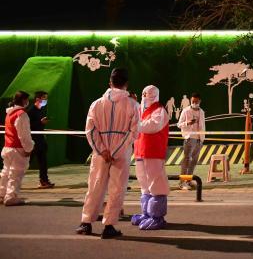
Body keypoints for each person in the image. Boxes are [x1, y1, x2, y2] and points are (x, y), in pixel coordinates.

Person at [76, 68, 139, 239]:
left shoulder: (96, 104)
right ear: (126, 84)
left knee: (95, 186)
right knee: (117, 189)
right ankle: (109, 226)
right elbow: (134, 132)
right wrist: (116, 151)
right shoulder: (133, 105)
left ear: (110, 82)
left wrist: (102, 151)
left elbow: (90, 130)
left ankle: (86, 222)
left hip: (100, 154)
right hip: (121, 154)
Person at [131, 85, 169, 230]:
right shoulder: (141, 110)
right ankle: (147, 213)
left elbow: (153, 126)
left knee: (156, 183)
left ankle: (157, 217)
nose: (145, 96)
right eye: (144, 94)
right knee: (144, 184)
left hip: (153, 152)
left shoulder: (159, 110)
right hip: (140, 152)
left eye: (147, 94)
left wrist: (135, 125)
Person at [0, 91, 35, 206]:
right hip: (17, 149)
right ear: (24, 100)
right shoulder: (21, 114)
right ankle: (11, 197)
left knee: (6, 172)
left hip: (8, 148)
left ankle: (2, 194)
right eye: (27, 100)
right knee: (16, 173)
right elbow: (24, 135)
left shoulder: (9, 113)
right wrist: (28, 148)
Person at [25, 90, 54, 188]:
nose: (46, 100)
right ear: (38, 99)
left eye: (46, 98)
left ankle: (44, 181)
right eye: (44, 98)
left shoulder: (41, 110)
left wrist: (42, 123)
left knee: (43, 162)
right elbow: (27, 126)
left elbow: (39, 126)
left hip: (40, 140)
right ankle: (13, 179)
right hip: (33, 141)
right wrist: (40, 122)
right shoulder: (31, 111)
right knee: (26, 162)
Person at [177, 92, 205, 190]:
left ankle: (189, 180)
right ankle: (182, 182)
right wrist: (187, 123)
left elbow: (202, 126)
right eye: (193, 101)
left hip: (199, 139)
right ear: (190, 100)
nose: (194, 103)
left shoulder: (202, 112)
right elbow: (179, 124)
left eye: (196, 101)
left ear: (200, 101)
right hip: (189, 138)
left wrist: (202, 138)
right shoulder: (185, 111)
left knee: (194, 161)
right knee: (187, 160)